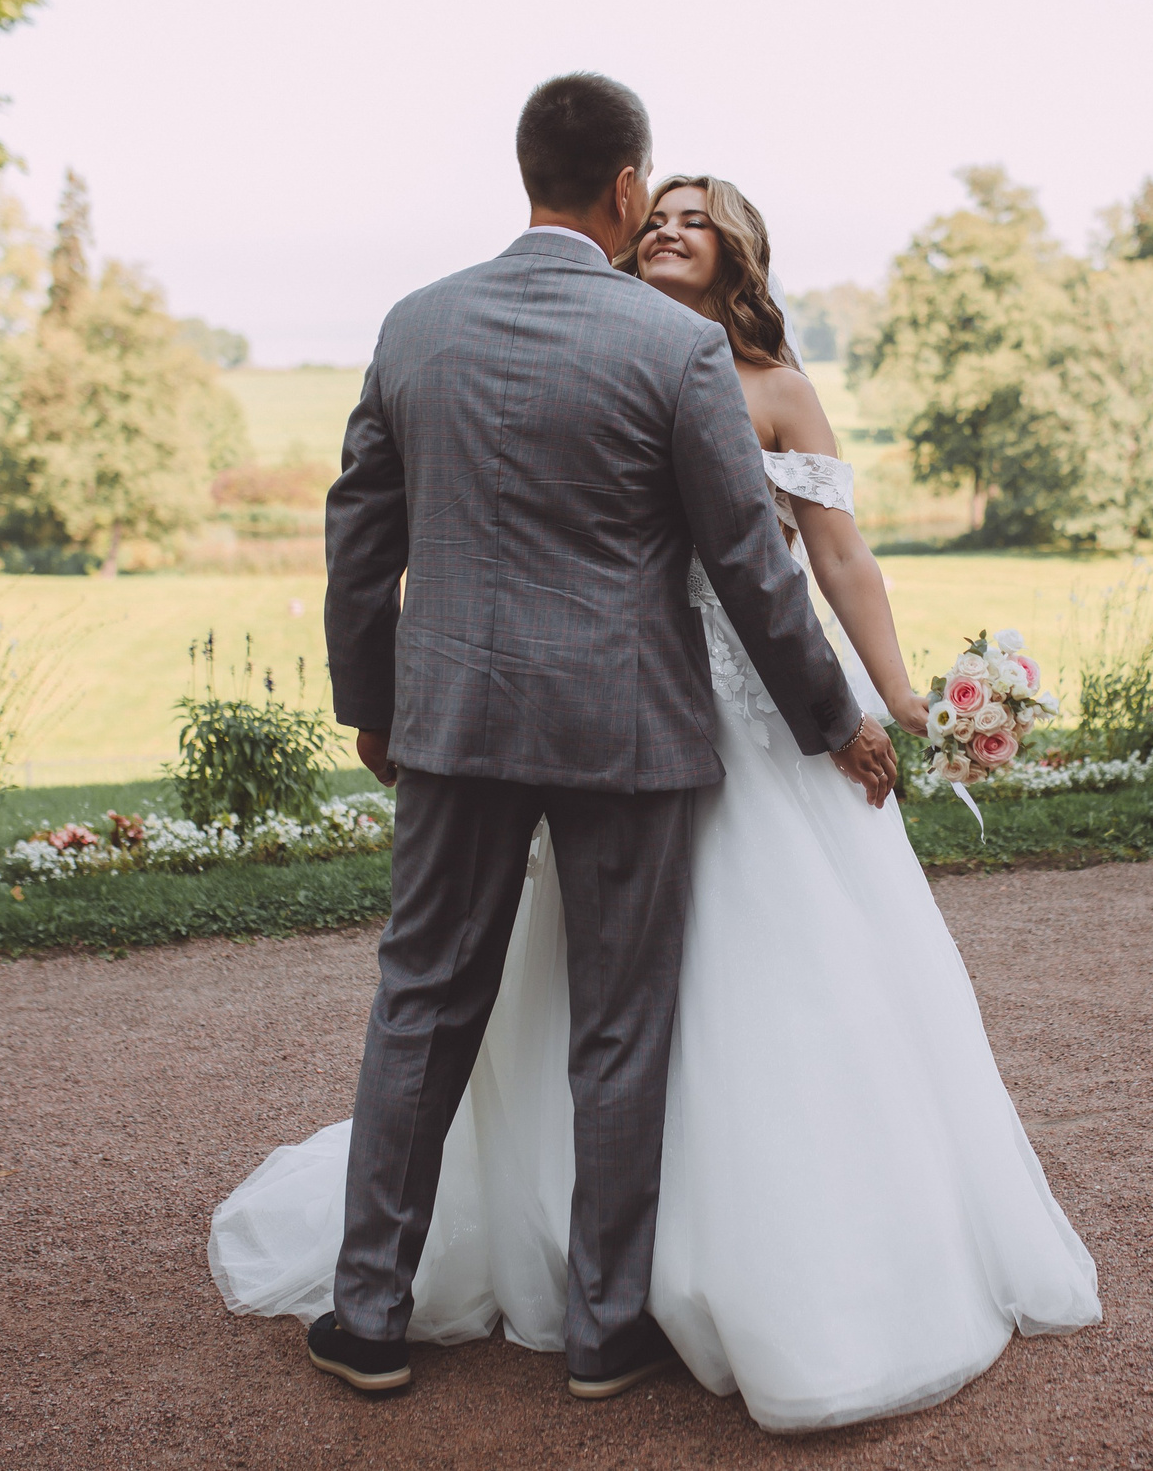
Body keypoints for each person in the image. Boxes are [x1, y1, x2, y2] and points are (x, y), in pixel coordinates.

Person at [209, 84, 1100, 1431]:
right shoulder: (672, 351)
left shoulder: (415, 324)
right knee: (621, 1023)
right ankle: (606, 1331)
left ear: (531, 174)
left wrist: (371, 705)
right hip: (628, 733)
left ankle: (373, 1313)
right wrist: (831, 718)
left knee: (423, 1003)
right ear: (626, 189)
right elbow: (751, 566)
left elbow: (359, 539)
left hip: (454, 728)